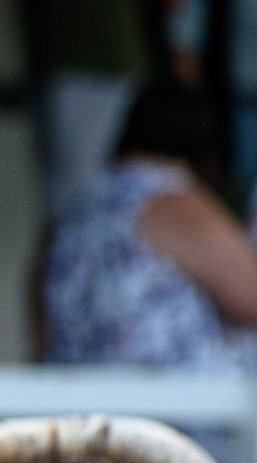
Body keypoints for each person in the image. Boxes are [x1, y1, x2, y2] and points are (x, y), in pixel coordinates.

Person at [41, 82, 257, 372]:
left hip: (83, 394)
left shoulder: (79, 206)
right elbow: (250, 298)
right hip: (175, 405)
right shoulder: (169, 199)